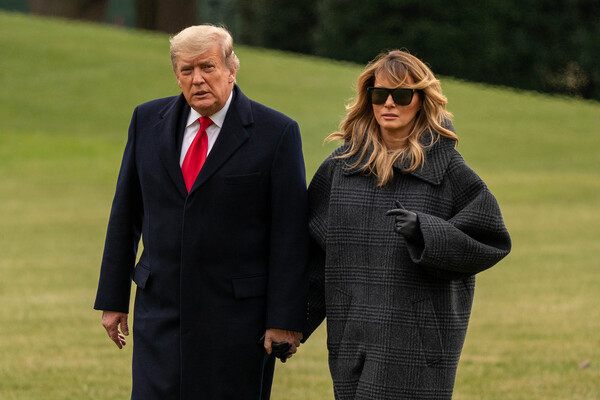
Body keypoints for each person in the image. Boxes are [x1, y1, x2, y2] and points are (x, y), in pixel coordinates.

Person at [93, 24, 308, 400]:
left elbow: (290, 235)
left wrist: (284, 319)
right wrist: (113, 299)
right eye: (187, 70)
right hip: (159, 316)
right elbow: (125, 214)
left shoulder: (277, 133)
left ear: (231, 69)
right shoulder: (146, 121)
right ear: (177, 76)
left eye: (208, 67)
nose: (198, 79)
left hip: (237, 323)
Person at [304, 50, 511, 399]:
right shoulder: (340, 168)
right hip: (350, 338)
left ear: (421, 101)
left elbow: (491, 240)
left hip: (417, 344)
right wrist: (292, 323)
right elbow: (313, 257)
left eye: (401, 95)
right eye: (379, 94)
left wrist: (426, 232)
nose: (389, 103)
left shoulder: (447, 168)